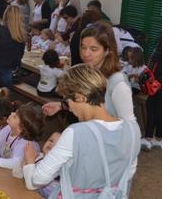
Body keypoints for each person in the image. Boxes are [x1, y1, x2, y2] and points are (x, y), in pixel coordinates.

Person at [24, 64, 140, 198]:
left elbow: (38, 179)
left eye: (67, 102)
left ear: (80, 97)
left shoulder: (76, 132)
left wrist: (30, 164)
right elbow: (129, 172)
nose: (70, 109)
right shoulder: (132, 129)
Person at [43, 21, 137, 122]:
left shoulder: (117, 82)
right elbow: (85, 102)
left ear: (107, 51)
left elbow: (128, 124)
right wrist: (62, 106)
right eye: (83, 47)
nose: (86, 54)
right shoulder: (86, 72)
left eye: (94, 49)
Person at [0, 100, 42, 170]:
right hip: (5, 168)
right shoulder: (9, 128)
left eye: (15, 116)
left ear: (20, 128)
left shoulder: (25, 143)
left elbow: (16, 163)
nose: (11, 113)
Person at [142, 36, 162, 150]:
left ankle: (148, 138)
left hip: (157, 85)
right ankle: (159, 138)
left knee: (152, 108)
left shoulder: (160, 52)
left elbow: (154, 69)